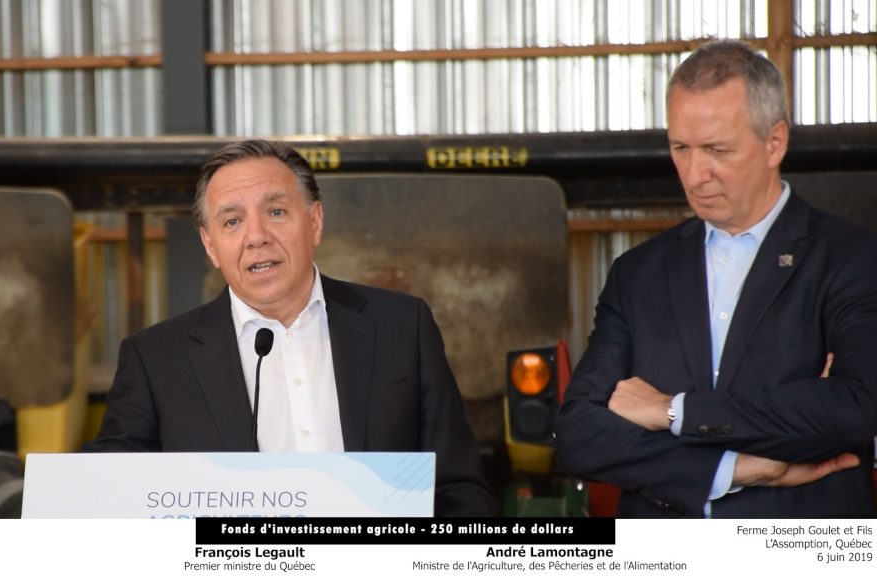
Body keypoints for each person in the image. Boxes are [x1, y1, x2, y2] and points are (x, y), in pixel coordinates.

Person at [86, 139, 497, 517]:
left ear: (314, 221)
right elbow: (111, 501)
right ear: (210, 245)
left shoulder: (401, 328)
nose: (256, 237)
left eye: (276, 212)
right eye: (231, 222)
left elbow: (459, 489)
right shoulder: (156, 360)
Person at [555, 40, 877, 518]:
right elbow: (578, 436)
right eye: (680, 148)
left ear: (775, 142)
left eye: (716, 150)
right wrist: (739, 467)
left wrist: (673, 412)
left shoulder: (852, 258)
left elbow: (856, 408)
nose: (694, 173)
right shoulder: (638, 274)